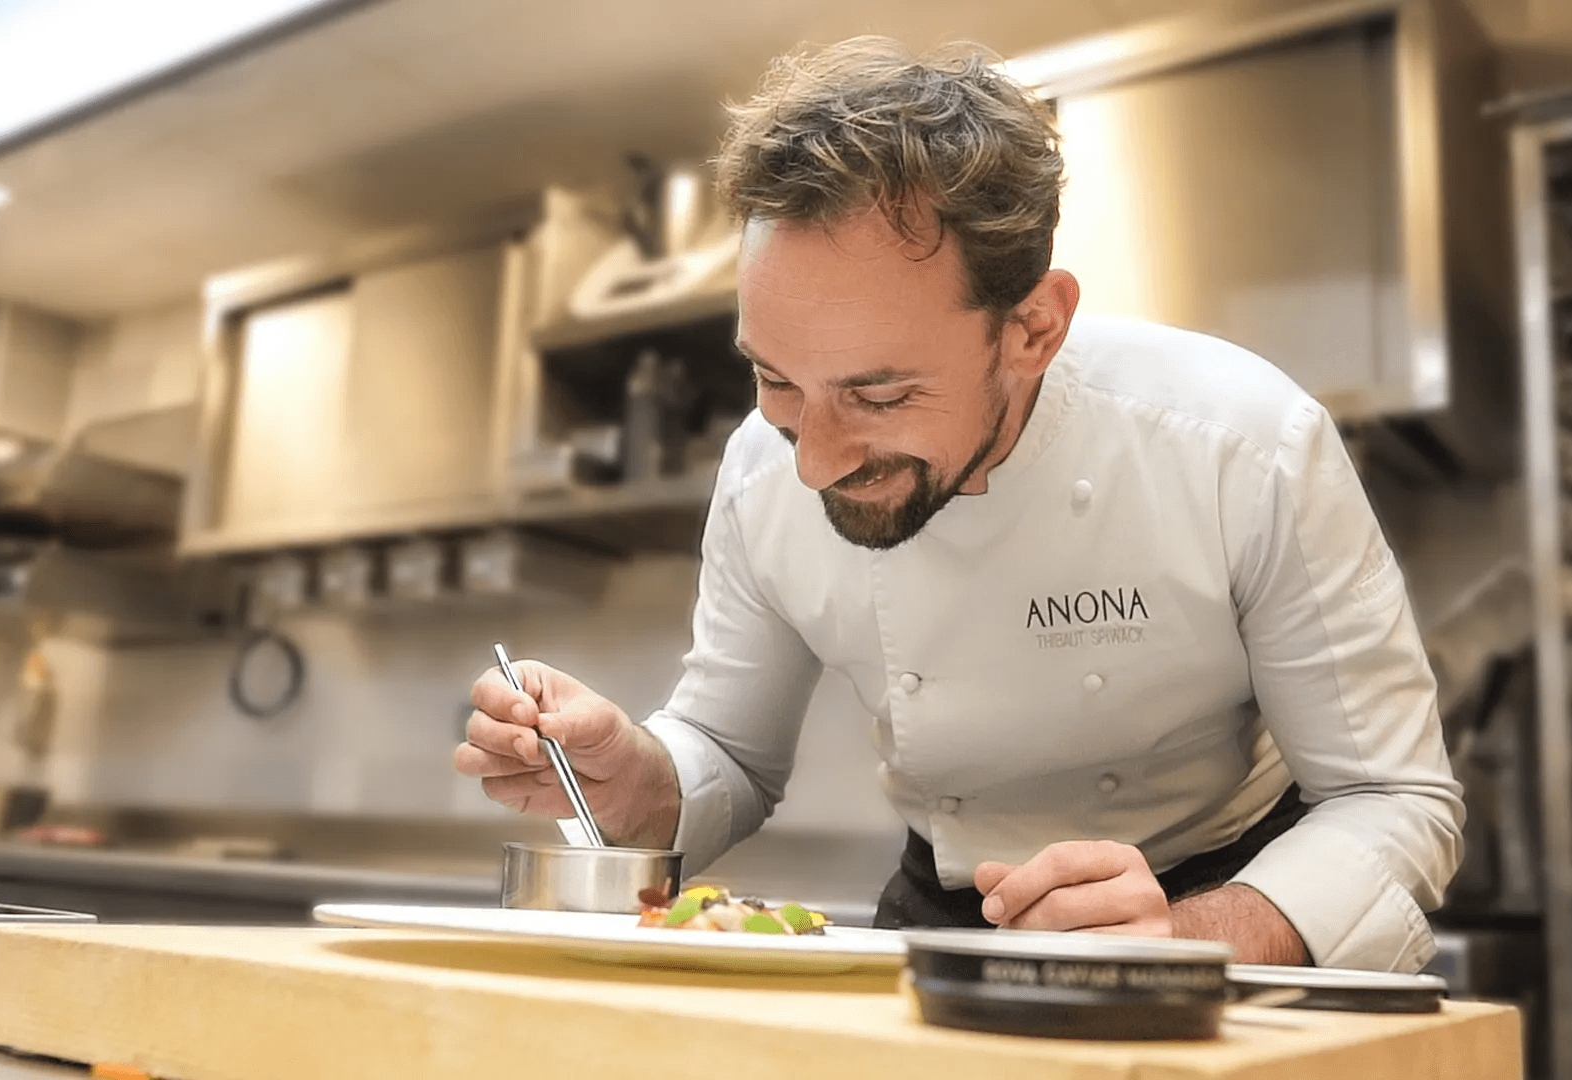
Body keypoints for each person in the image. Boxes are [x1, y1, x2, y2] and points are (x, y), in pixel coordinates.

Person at [454, 37, 1463, 972]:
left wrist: (1198, 934)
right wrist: (629, 774)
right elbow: (728, 749)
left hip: (1222, 899)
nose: (817, 462)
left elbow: (1393, 799)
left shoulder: (1242, 445)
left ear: (1032, 328)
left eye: (880, 394)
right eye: (775, 380)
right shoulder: (764, 470)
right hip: (941, 912)